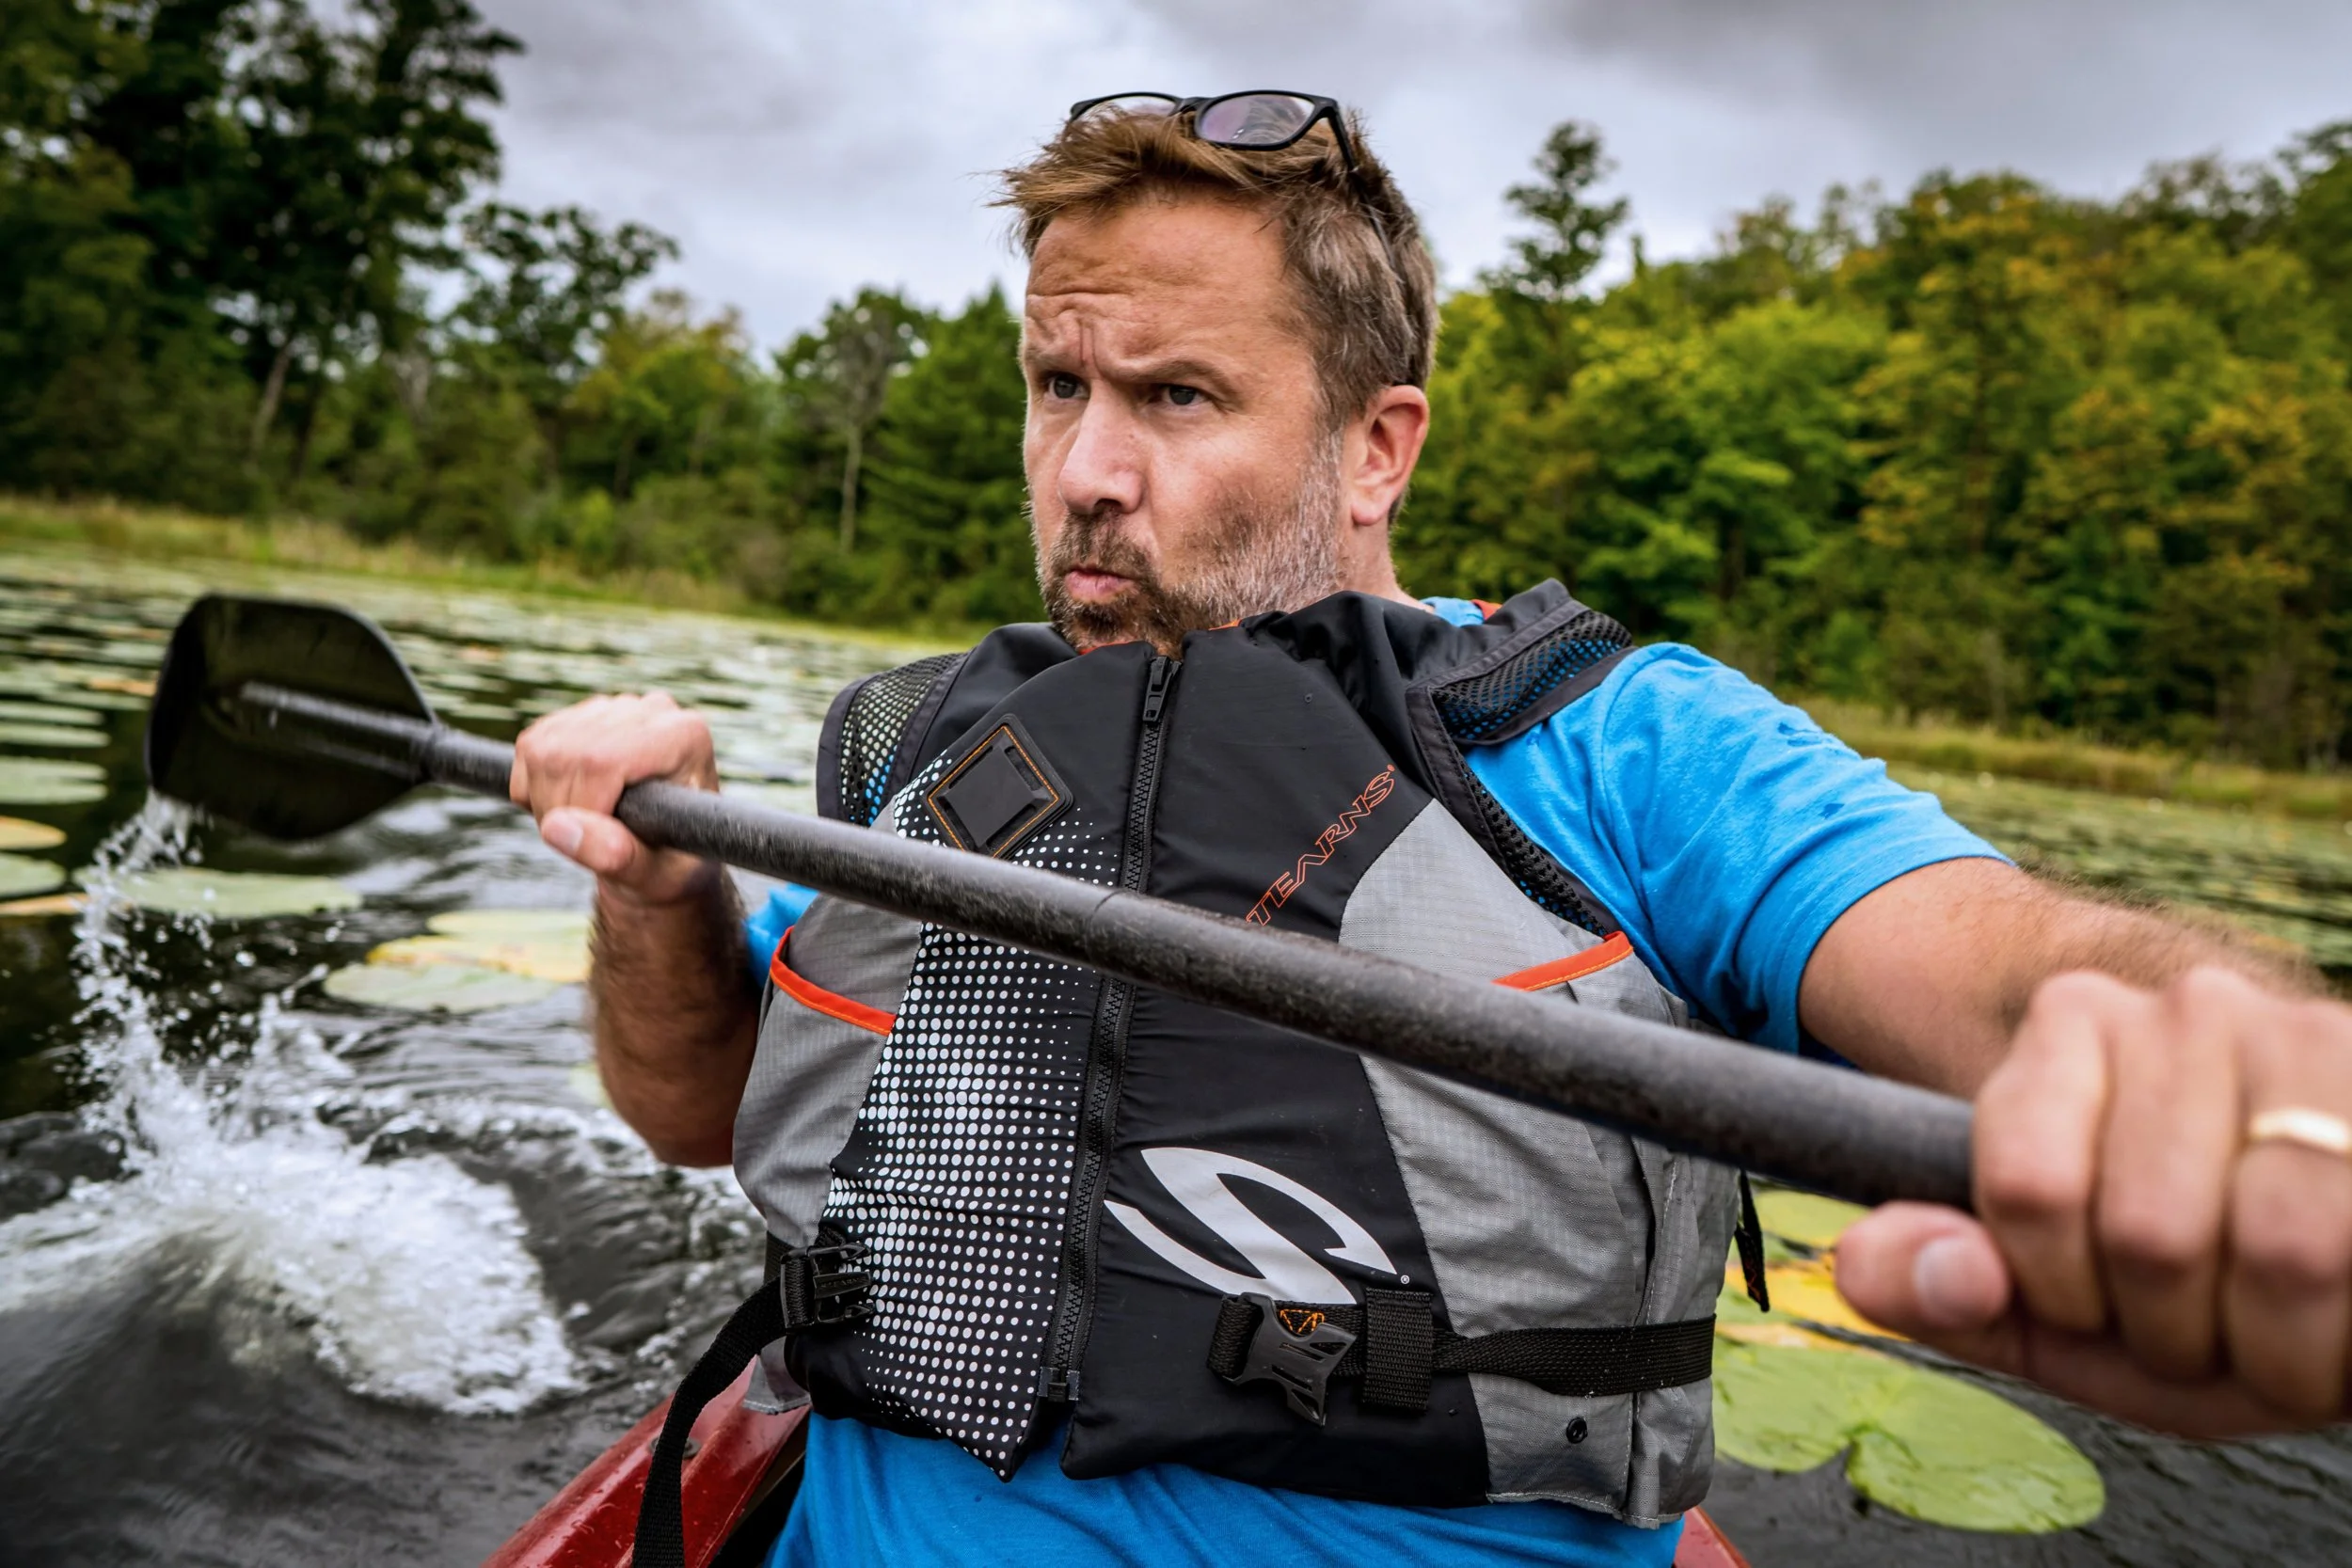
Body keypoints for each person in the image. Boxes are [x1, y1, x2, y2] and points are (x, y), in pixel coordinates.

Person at [509, 93, 2352, 1565]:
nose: (1082, 468)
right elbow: (702, 1106)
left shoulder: (1614, 743)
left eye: (1173, 396)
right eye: (1055, 386)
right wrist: (659, 885)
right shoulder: (917, 743)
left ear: (1376, 446)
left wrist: (2231, 1068)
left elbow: (2004, 963)